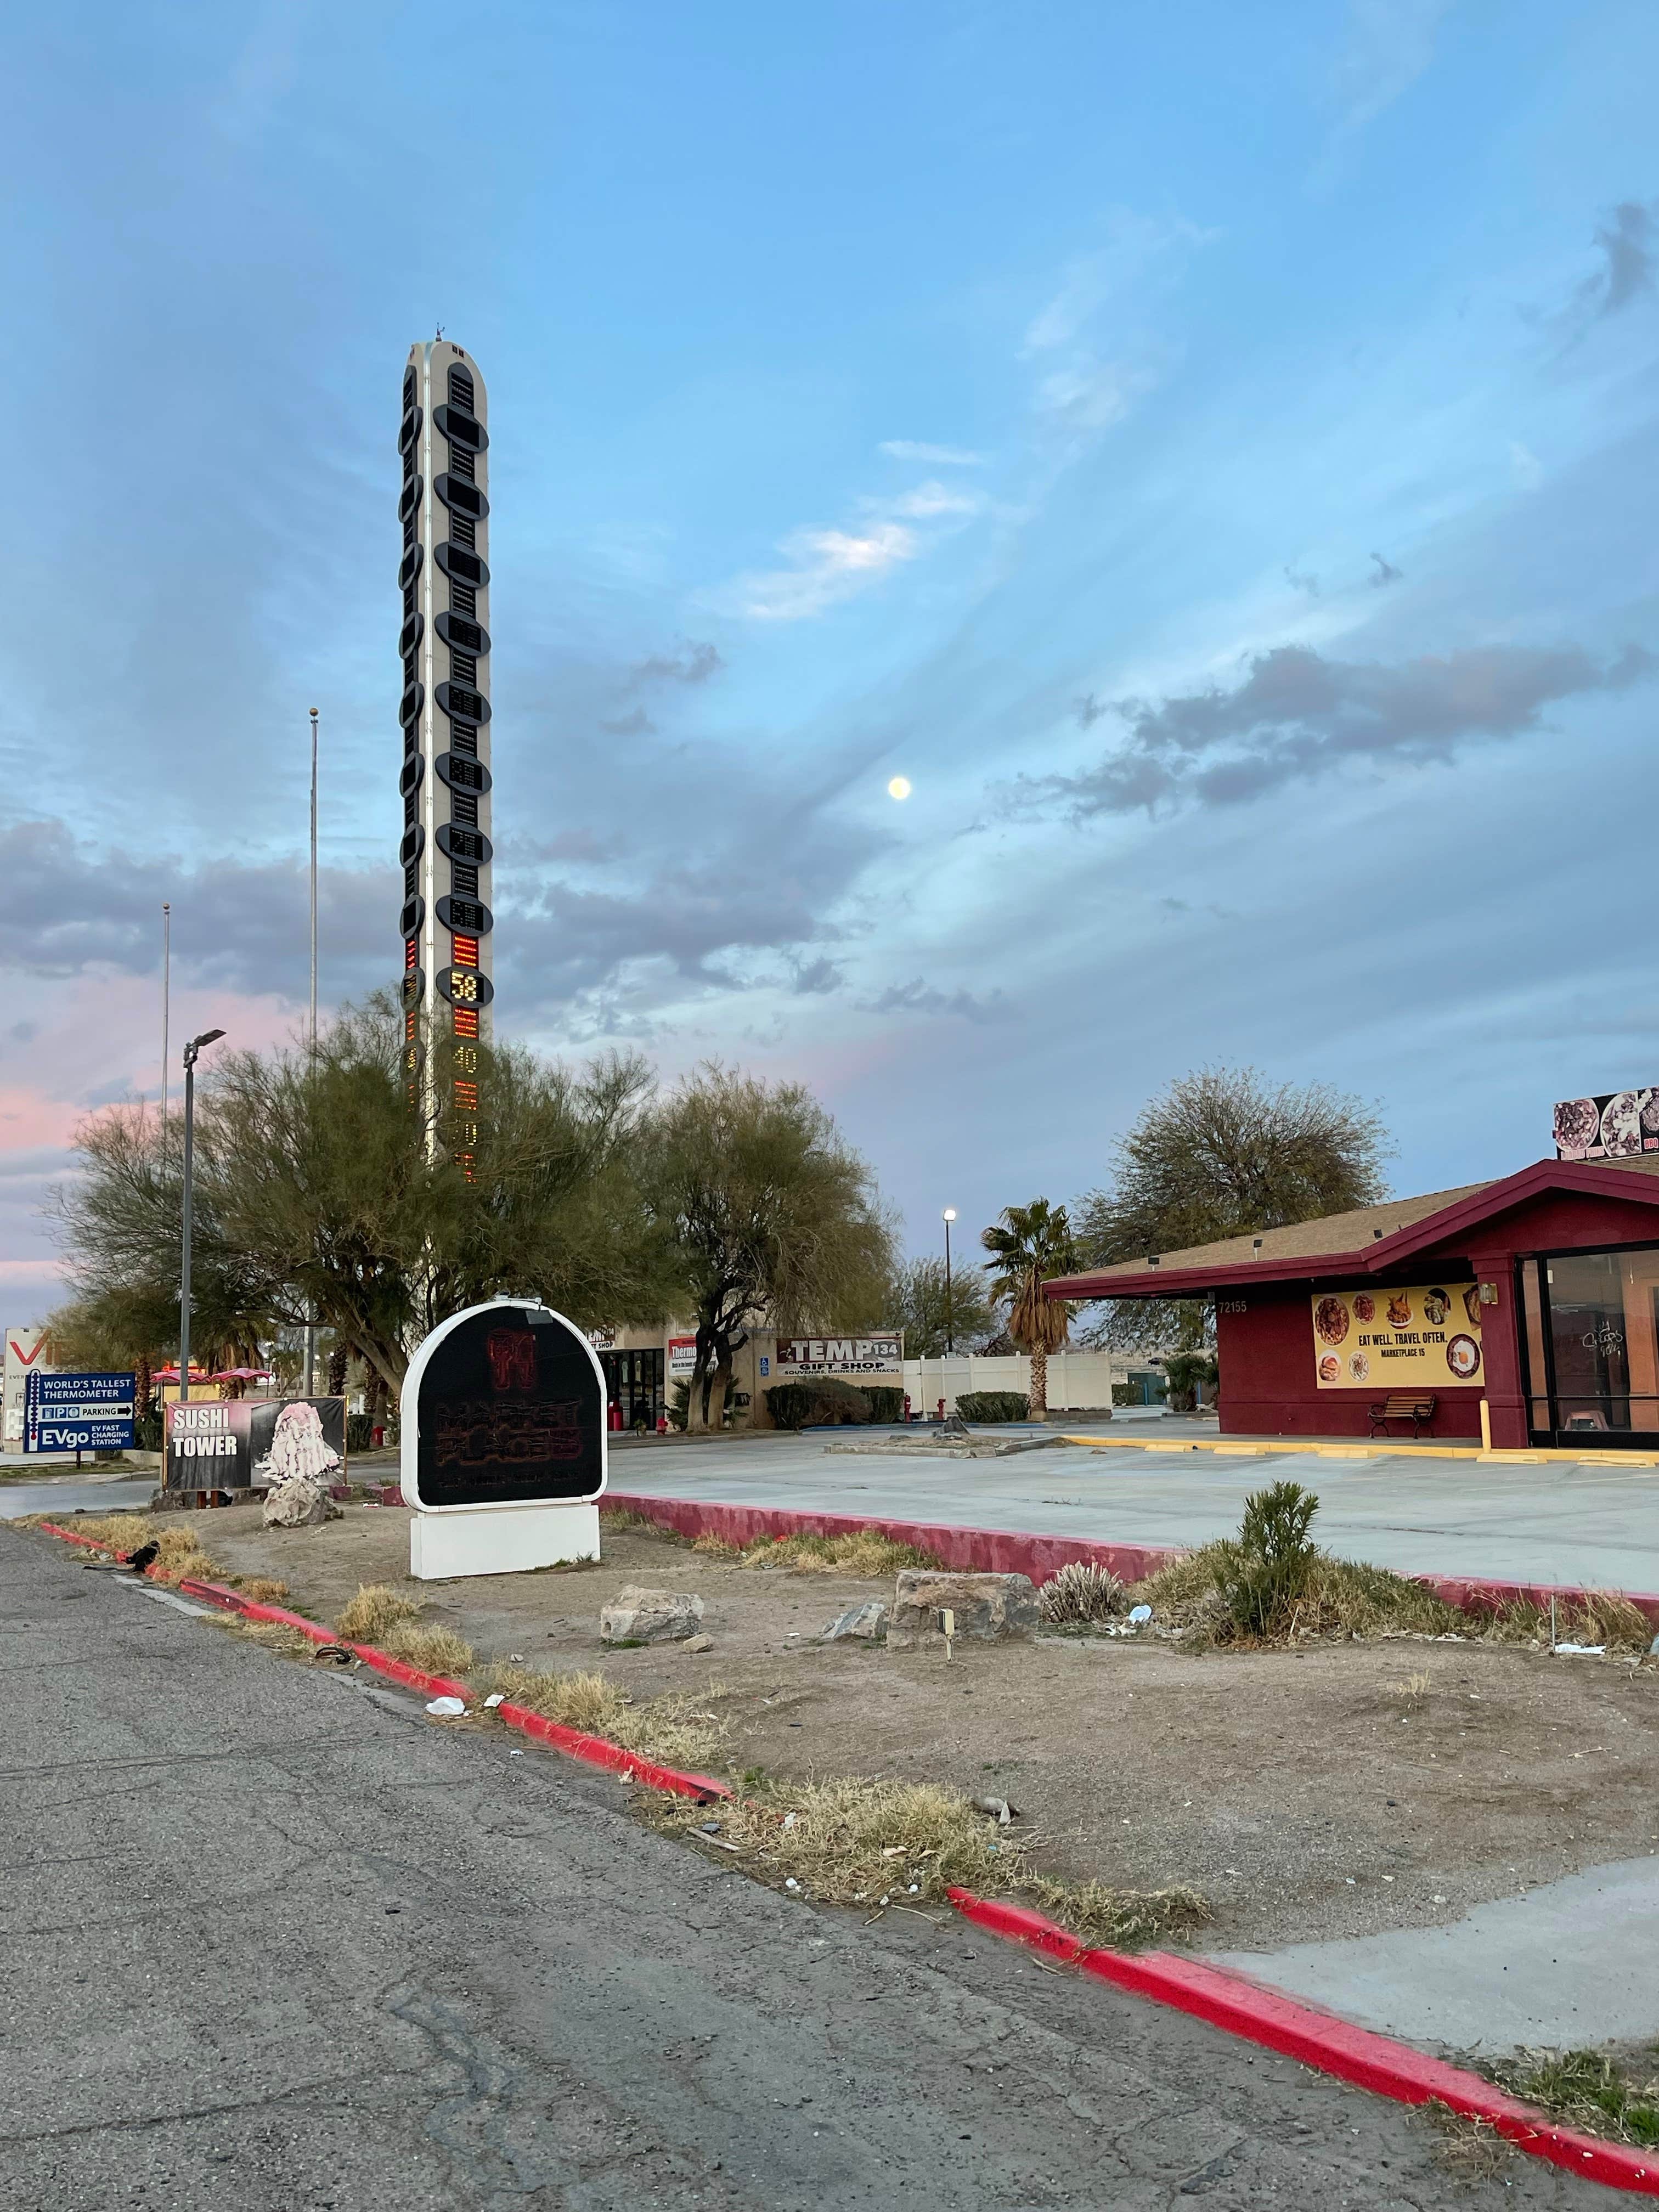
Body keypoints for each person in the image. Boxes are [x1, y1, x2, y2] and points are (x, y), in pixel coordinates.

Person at [253, 1400, 342, 1488]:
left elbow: (310, 1435)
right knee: (293, 1451)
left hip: (306, 1451)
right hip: (290, 1449)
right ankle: (292, 1470)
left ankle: (303, 1470)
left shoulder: (307, 1427)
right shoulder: (287, 1433)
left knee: (304, 1450)